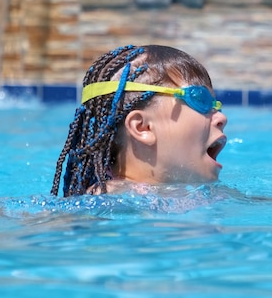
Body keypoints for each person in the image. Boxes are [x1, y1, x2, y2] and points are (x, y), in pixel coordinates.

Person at [50, 44, 228, 197]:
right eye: (200, 100)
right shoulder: (107, 198)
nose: (221, 117)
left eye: (216, 105)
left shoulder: (200, 193)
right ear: (142, 127)